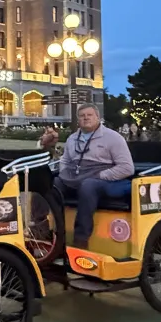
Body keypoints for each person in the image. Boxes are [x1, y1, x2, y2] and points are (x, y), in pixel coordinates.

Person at [54, 103, 134, 249]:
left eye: (89, 115)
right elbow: (65, 160)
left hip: (105, 180)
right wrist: (65, 172)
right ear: (78, 119)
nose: (86, 118)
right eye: (82, 116)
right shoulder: (72, 138)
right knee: (55, 184)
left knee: (88, 185)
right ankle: (52, 230)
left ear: (98, 117)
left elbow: (127, 168)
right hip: (77, 176)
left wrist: (101, 175)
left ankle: (81, 238)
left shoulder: (113, 138)